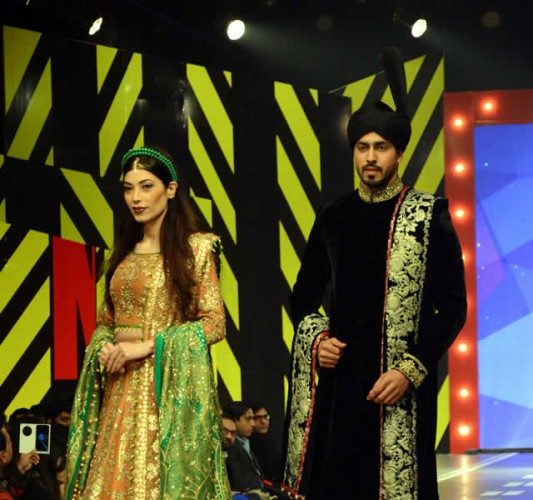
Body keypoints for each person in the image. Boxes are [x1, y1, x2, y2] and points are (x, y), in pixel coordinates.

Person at [283, 48, 467, 499]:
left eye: (381, 147)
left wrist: (410, 369)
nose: (370, 157)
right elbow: (302, 297)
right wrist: (318, 341)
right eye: (362, 147)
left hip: (399, 389)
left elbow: (453, 308)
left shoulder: (429, 215)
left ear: (398, 154)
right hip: (341, 384)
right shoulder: (334, 216)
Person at [64, 146, 231, 499]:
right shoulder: (124, 253)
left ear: (170, 189)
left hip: (161, 393)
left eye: (146, 186)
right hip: (117, 389)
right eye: (128, 188)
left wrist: (146, 347)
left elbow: (215, 323)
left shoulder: (196, 249)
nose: (136, 198)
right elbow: (106, 322)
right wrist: (104, 346)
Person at [249, 404, 281, 485]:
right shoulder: (246, 444)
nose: (263, 421)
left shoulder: (272, 440)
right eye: (257, 418)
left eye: (265, 417)